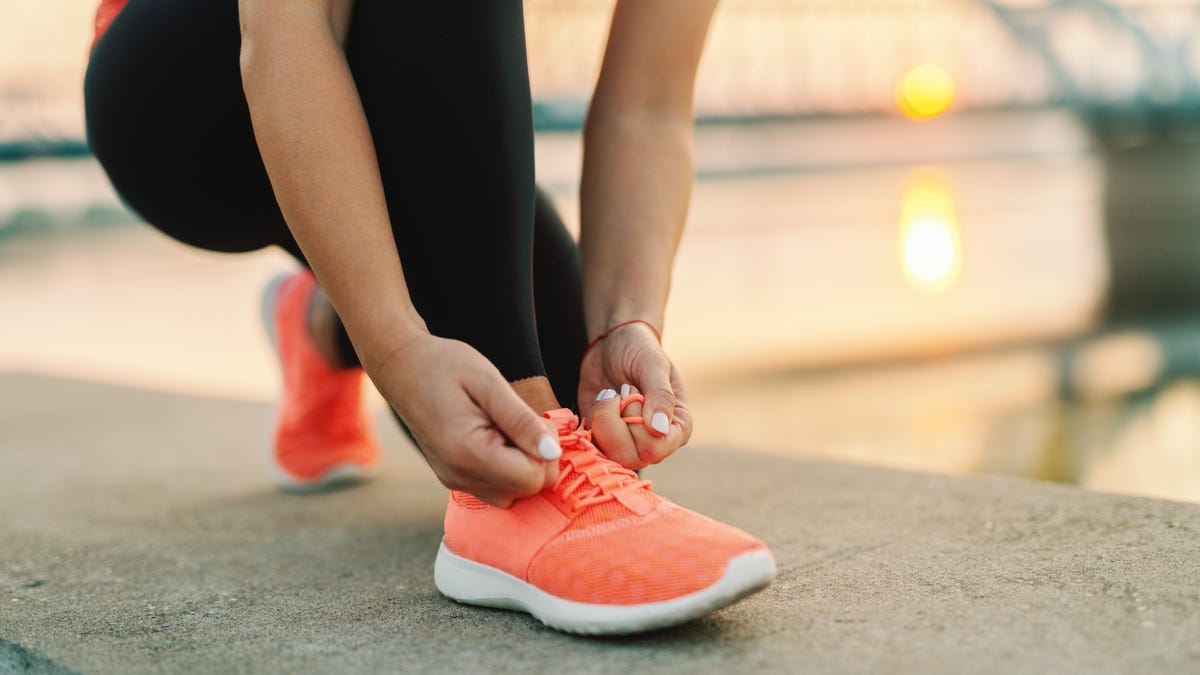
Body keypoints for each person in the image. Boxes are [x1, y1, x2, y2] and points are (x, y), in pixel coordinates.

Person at [85, 0, 775, 634]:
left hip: (396, 102)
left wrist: (625, 324)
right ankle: (508, 509)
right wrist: (393, 345)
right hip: (186, 103)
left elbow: (647, 104)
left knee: (561, 390)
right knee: (526, 430)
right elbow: (287, 28)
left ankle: (318, 327)